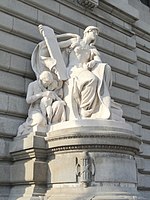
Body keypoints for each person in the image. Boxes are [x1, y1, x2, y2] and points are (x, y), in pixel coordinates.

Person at [17, 71, 66, 136]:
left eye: (49, 83)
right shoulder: (32, 85)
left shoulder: (50, 86)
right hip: (36, 109)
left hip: (48, 106)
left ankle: (53, 124)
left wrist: (58, 99)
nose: (48, 85)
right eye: (47, 83)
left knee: (59, 104)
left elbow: (54, 95)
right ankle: (24, 127)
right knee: (40, 121)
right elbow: (28, 100)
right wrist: (41, 94)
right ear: (41, 79)